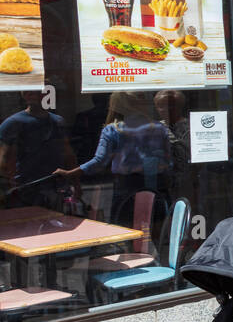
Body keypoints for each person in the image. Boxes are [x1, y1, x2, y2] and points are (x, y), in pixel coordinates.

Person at [55, 91, 172, 227]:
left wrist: (71, 173)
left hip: (127, 187)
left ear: (116, 105)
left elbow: (99, 161)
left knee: (127, 230)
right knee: (156, 228)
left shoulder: (113, 130)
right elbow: (168, 161)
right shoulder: (159, 127)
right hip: (157, 183)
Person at [0, 91, 77, 208]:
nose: (31, 95)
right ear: (23, 96)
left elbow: (68, 154)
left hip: (55, 187)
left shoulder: (57, 122)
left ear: (44, 94)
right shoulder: (13, 123)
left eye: (36, 92)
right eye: (27, 92)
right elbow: (3, 157)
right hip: (25, 189)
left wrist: (76, 184)